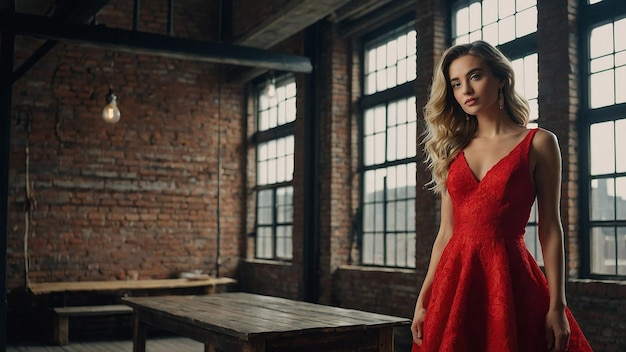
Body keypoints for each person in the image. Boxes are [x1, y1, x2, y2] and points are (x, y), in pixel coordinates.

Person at [410, 40, 593, 352]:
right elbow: (446, 232)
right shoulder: (453, 149)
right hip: (453, 284)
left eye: (475, 76)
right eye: (456, 83)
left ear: (501, 78)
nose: (465, 89)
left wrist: (557, 306)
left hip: (508, 278)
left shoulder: (539, 143)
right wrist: (423, 299)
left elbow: (550, 228)